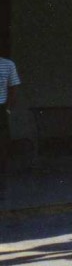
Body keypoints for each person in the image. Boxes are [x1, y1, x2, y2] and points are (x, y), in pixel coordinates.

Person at [0, 54, 19, 199]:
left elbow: (13, 88)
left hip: (1, 108)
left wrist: (7, 109)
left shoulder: (8, 64)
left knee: (2, 146)